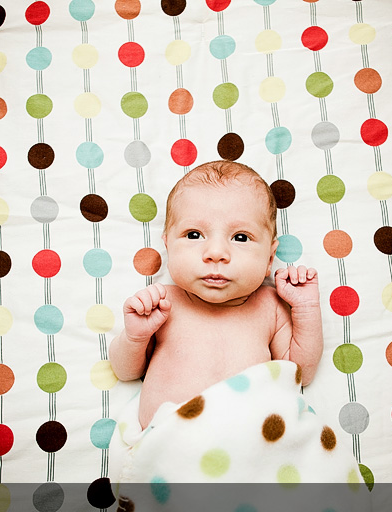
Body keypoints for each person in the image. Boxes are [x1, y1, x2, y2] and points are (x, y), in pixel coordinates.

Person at [109, 160, 323, 429]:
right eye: (194, 234)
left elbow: (301, 374)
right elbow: (126, 371)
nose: (216, 253)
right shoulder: (162, 304)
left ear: (270, 257)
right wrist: (135, 337)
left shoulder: (270, 307)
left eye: (241, 237)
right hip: (171, 443)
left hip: (251, 444)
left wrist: (305, 309)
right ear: (167, 245)